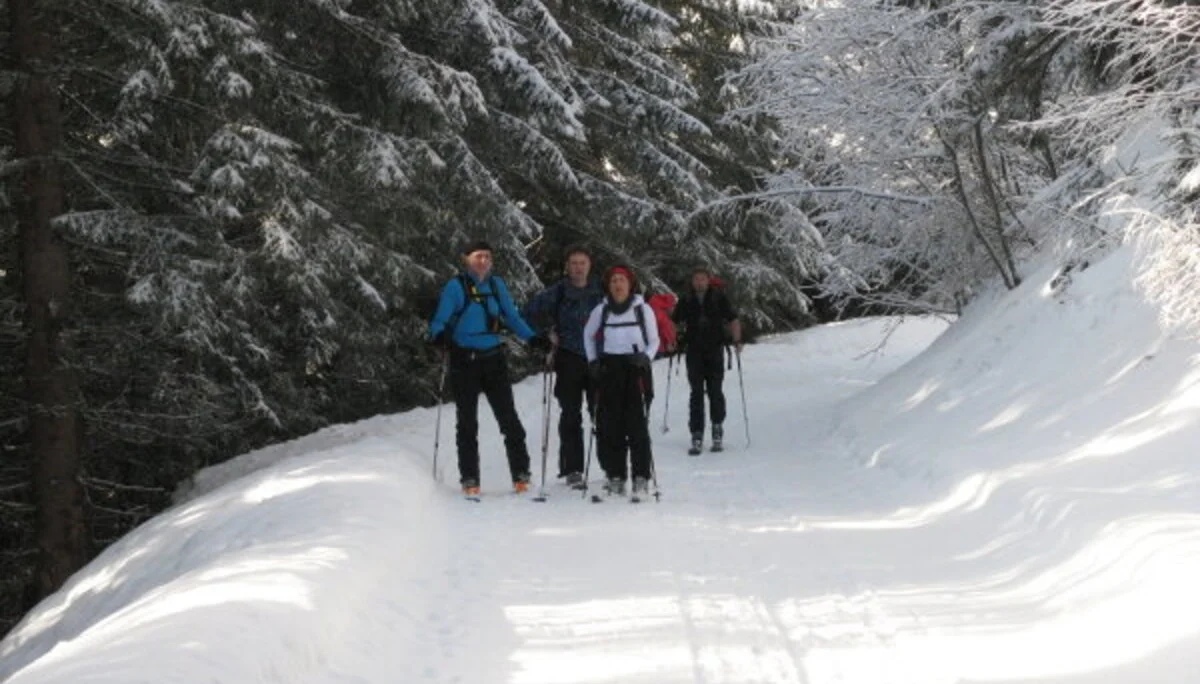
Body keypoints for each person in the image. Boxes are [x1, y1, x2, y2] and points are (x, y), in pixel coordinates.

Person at [428, 240, 551, 496]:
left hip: (493, 358)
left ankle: (521, 474)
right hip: (464, 360)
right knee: (467, 422)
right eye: (477, 256)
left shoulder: (497, 285)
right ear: (467, 259)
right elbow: (440, 319)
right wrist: (439, 337)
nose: (483, 261)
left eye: (487, 257)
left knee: (509, 418)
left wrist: (532, 338)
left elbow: (512, 317)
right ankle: (470, 478)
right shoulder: (456, 286)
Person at [521, 245, 605, 489]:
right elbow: (527, 313)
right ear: (567, 267)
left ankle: (611, 466)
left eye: (583, 262)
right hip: (568, 357)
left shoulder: (601, 290)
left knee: (601, 413)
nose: (578, 267)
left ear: (590, 266)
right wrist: (546, 335)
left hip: (598, 359)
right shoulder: (557, 292)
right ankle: (573, 468)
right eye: (574, 263)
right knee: (571, 414)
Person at [583, 265, 659, 498]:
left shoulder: (642, 309)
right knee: (610, 426)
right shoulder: (602, 310)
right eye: (614, 280)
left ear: (630, 284)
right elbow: (587, 335)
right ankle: (616, 475)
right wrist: (592, 360)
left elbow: (654, 340)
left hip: (636, 369)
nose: (618, 284)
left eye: (622, 280)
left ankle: (641, 477)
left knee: (637, 425)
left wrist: (646, 357)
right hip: (609, 369)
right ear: (608, 285)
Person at [672, 265, 742, 454]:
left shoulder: (719, 297)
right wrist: (674, 340)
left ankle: (717, 427)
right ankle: (696, 433)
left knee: (715, 391)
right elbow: (675, 321)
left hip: (715, 349)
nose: (699, 282)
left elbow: (733, 318)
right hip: (694, 351)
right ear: (692, 281)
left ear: (708, 280)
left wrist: (737, 340)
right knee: (696, 392)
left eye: (702, 279)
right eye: (696, 279)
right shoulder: (686, 300)